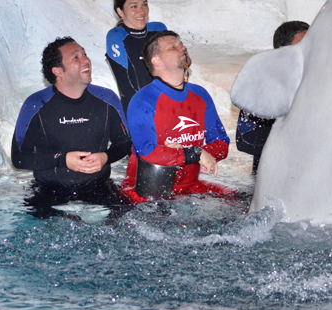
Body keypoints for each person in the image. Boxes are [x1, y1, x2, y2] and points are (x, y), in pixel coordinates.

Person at [12, 37, 132, 218]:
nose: (86, 60)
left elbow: (124, 143)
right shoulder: (36, 104)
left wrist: (105, 157)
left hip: (98, 187)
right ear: (58, 71)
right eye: (76, 57)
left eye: (85, 54)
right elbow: (19, 158)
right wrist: (62, 160)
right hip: (49, 191)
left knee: (130, 221)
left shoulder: (107, 99)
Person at [120, 30, 234, 203]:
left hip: (190, 187)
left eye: (181, 44)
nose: (183, 47)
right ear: (156, 61)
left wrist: (202, 154)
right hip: (146, 192)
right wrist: (193, 153)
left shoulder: (200, 95)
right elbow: (148, 152)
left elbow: (222, 143)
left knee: (240, 202)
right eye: (173, 46)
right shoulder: (143, 100)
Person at [236, 20, 309, 175]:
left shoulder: (316, 83)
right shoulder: (264, 85)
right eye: (303, 45)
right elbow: (245, 140)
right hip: (272, 178)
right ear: (282, 51)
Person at [106, 0, 168, 113]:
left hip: (168, 104)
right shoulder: (117, 36)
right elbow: (129, 85)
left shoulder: (159, 29)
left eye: (144, 4)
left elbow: (174, 69)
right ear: (120, 11)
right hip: (140, 110)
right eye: (134, 6)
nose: (141, 11)